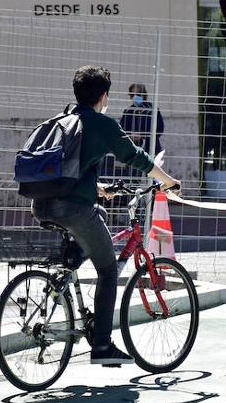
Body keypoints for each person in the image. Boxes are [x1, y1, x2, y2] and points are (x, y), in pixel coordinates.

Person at [31, 66, 181, 366]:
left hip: (41, 204)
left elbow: (69, 168)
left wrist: (95, 187)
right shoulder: (100, 124)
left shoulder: (63, 120)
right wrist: (166, 179)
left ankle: (73, 257)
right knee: (109, 270)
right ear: (103, 95)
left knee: (97, 211)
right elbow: (134, 155)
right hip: (71, 209)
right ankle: (101, 345)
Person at [119, 83, 164, 154]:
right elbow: (122, 129)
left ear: (144, 95)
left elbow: (160, 129)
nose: (135, 97)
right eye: (132, 95)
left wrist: (142, 135)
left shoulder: (152, 109)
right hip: (133, 149)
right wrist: (131, 135)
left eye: (138, 94)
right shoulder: (128, 111)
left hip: (151, 148)